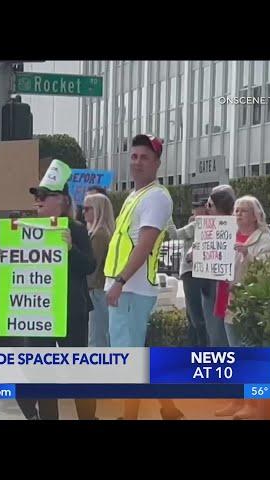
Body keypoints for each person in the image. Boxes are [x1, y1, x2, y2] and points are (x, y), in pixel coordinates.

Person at [1, 159, 96, 420]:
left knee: (78, 372)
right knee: (41, 373)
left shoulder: (75, 229)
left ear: (63, 200)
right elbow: (16, 274)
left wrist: (70, 249)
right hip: (38, 313)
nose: (39, 200)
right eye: (37, 196)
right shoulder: (23, 230)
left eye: (45, 196)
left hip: (71, 311)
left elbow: (89, 266)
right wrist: (4, 256)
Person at [103, 134, 183, 420]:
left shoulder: (156, 197)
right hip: (127, 289)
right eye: (134, 156)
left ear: (157, 164)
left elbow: (144, 244)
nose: (137, 162)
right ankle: (169, 408)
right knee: (138, 354)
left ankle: (129, 415)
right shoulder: (135, 195)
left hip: (130, 290)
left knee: (128, 359)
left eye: (144, 157)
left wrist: (120, 282)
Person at [215, 195, 270, 419]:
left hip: (249, 304)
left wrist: (247, 254)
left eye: (243, 210)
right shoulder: (227, 236)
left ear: (255, 215)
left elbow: (269, 270)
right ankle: (237, 400)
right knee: (235, 354)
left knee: (248, 354)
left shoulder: (264, 240)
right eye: (236, 210)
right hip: (228, 300)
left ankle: (253, 405)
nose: (238, 214)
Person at [166, 200, 209, 346]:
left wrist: (168, 218)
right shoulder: (211, 226)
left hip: (190, 271)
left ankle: (198, 346)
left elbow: (174, 235)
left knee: (194, 314)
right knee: (198, 312)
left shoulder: (196, 225)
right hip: (205, 271)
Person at [203, 185, 236, 347]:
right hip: (209, 286)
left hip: (223, 288)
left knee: (219, 336)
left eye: (210, 205)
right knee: (214, 333)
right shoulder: (208, 228)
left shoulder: (232, 228)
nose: (206, 209)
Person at [83, 193, 115, 347]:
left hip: (96, 289)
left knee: (96, 336)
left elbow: (92, 267)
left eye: (87, 208)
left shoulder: (99, 235)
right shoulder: (103, 232)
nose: (84, 212)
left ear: (98, 210)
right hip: (101, 288)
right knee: (102, 333)